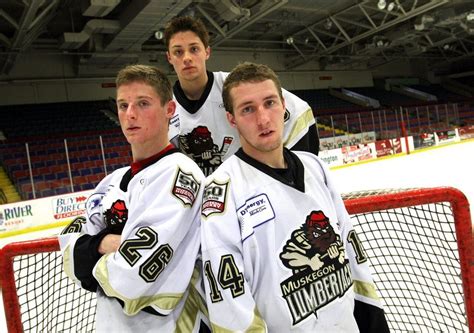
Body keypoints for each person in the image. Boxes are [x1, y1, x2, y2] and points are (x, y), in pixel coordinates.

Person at [200, 62, 389, 332]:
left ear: (284, 106)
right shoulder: (222, 191)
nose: (263, 119)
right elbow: (230, 303)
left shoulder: (316, 168)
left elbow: (351, 251)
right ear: (231, 119)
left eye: (269, 103)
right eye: (248, 109)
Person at [59, 64, 208, 332]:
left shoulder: (180, 174)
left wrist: (91, 248)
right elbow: (69, 247)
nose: (130, 114)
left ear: (169, 110)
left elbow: (132, 278)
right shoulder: (110, 182)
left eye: (143, 103)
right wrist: (105, 242)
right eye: (123, 105)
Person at [163, 16, 319, 176]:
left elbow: (300, 113)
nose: (187, 58)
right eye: (178, 52)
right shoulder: (165, 107)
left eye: (194, 49)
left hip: (248, 188)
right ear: (169, 57)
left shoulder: (234, 87)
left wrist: (296, 174)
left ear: (207, 52)